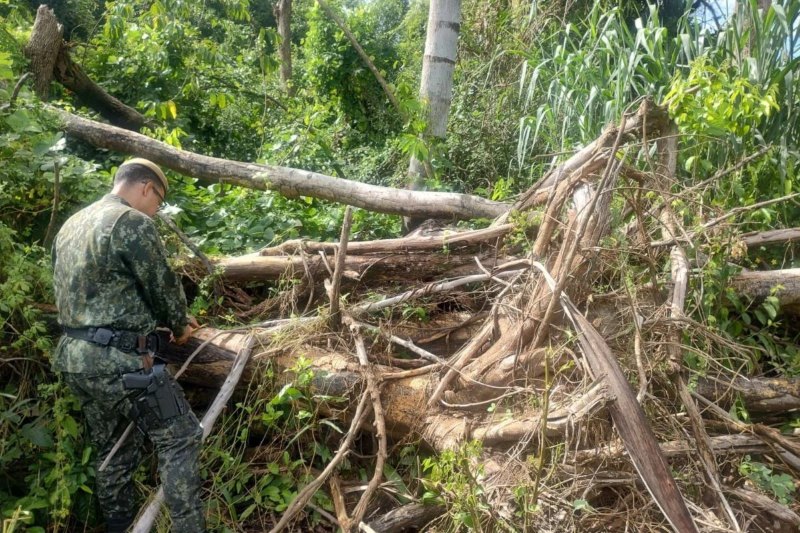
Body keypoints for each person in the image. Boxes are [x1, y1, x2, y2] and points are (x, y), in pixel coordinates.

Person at [51, 158, 205, 533]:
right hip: (123, 361)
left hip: (76, 360)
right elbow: (160, 283)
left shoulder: (72, 225)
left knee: (115, 453)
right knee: (181, 439)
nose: (157, 209)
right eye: (159, 200)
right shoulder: (131, 222)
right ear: (146, 188)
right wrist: (180, 323)